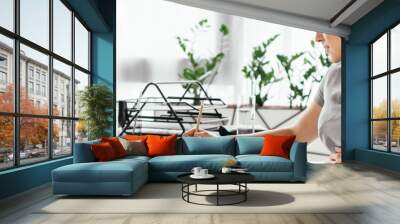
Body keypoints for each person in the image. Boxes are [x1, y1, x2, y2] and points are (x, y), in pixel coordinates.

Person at [184, 32, 342, 163]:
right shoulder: (333, 73)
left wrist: (363, 159)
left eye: (324, 29)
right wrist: (219, 141)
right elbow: (297, 134)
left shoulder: (364, 76)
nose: (318, 38)